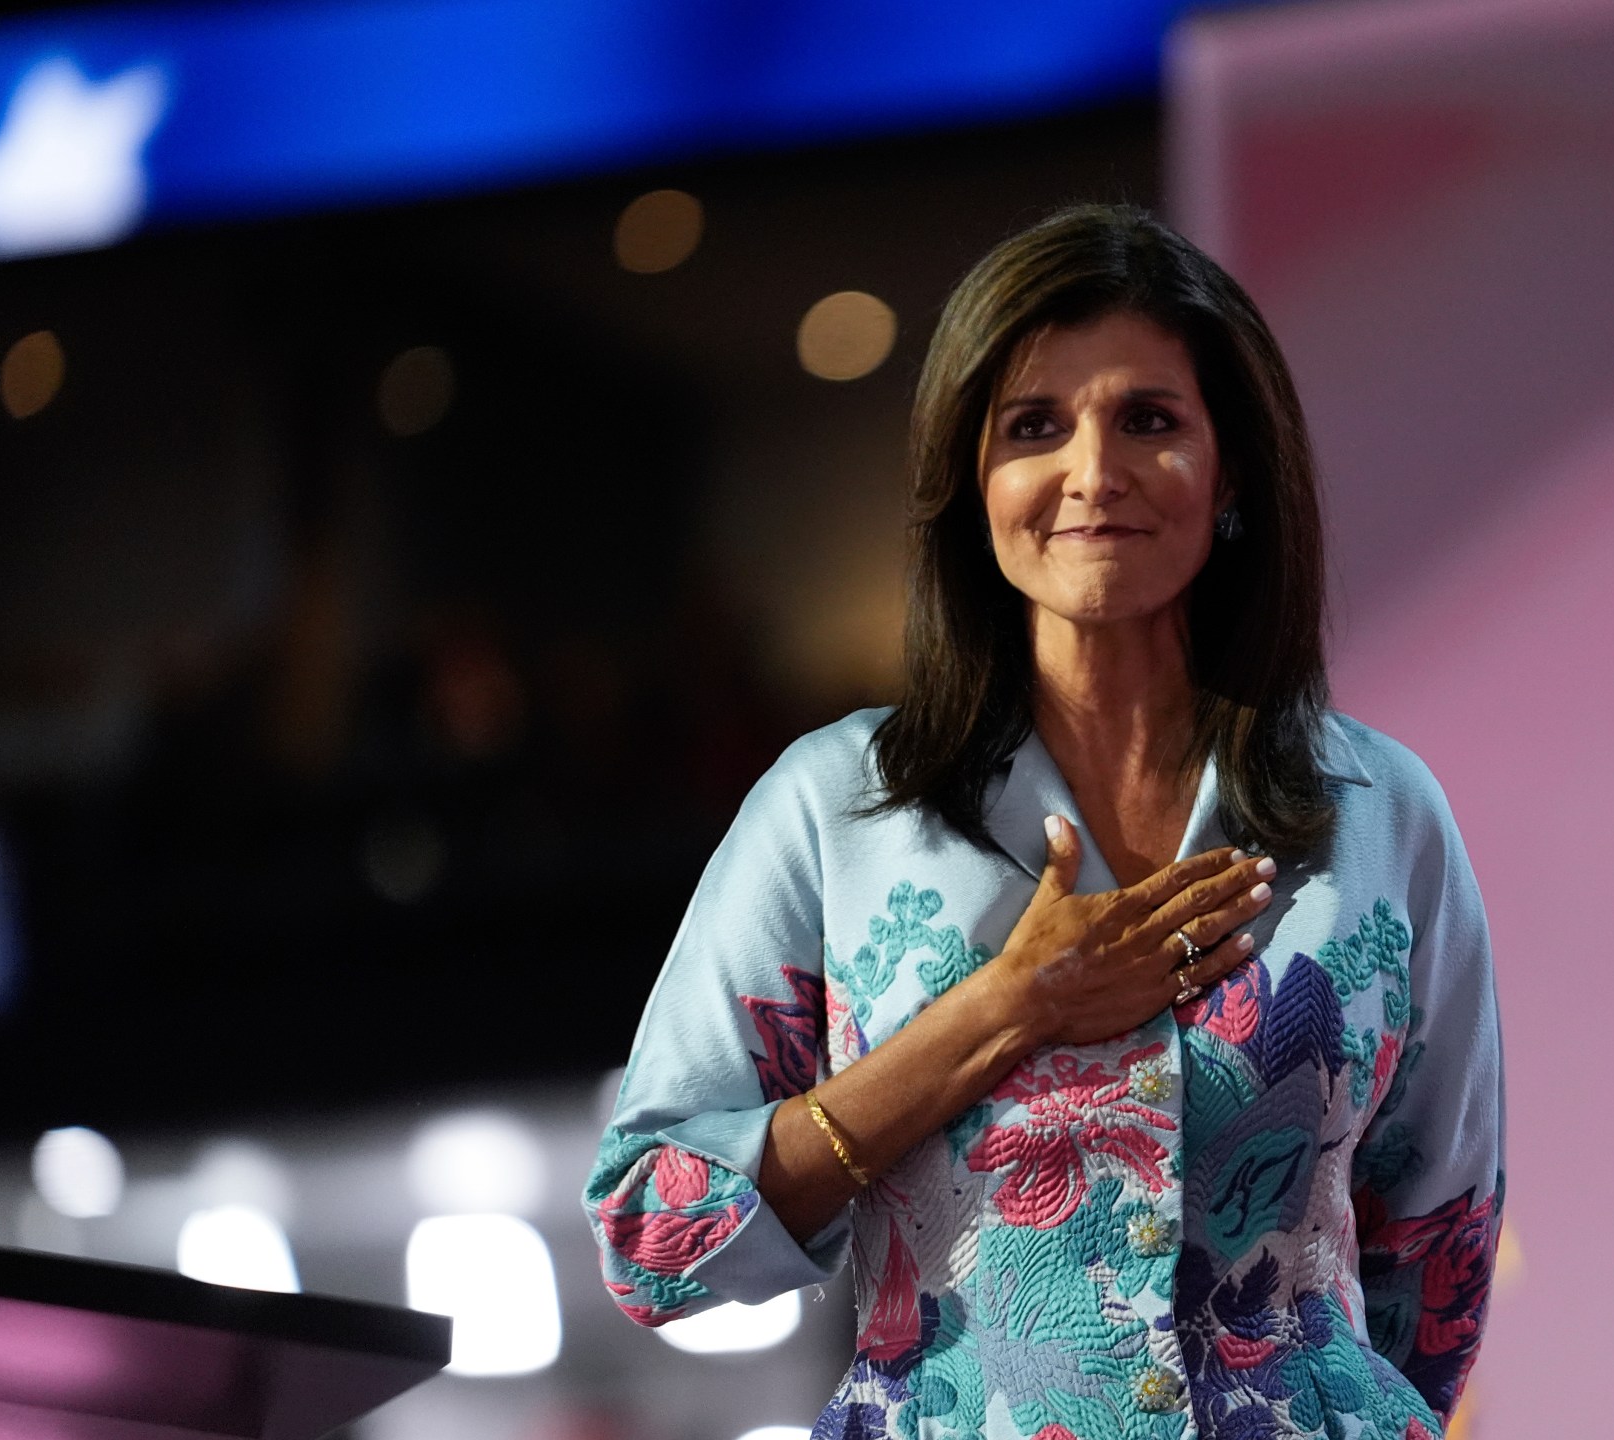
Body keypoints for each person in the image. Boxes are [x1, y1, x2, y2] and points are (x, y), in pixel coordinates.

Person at [585, 204, 1503, 1440]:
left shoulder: (1381, 811)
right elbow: (654, 1232)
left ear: (1230, 471)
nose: (1093, 471)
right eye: (1034, 427)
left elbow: (1438, 1258)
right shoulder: (833, 808)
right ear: (973, 483)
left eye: (1149, 420)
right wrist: (1004, 1010)